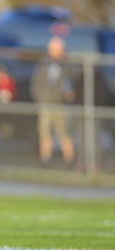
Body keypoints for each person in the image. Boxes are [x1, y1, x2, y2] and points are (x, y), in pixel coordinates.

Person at [30, 32, 76, 165]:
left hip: (60, 104)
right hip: (45, 104)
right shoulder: (44, 63)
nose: (56, 52)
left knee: (64, 133)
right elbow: (36, 82)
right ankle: (45, 160)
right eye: (53, 49)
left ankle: (69, 160)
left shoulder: (68, 64)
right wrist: (40, 98)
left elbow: (73, 80)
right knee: (45, 133)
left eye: (58, 49)